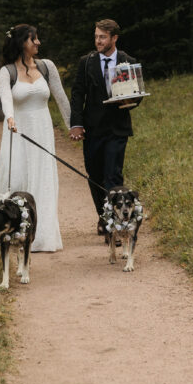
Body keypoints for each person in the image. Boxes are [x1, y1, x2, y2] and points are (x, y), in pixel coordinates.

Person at [0, 24, 71, 252]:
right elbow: (6, 98)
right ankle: (11, 230)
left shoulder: (47, 67)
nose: (38, 43)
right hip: (17, 131)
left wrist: (73, 127)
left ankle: (42, 236)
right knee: (17, 176)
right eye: (32, 39)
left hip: (43, 131)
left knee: (43, 179)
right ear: (20, 44)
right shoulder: (7, 72)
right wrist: (10, 117)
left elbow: (61, 99)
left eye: (37, 39)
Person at [69, 18, 141, 235]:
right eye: (96, 37)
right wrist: (76, 124)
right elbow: (77, 94)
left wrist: (129, 102)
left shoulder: (127, 61)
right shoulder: (86, 62)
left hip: (117, 129)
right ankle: (103, 217)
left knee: (113, 176)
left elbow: (136, 95)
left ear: (114, 38)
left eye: (102, 37)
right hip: (92, 130)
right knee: (95, 175)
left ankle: (116, 224)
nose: (98, 41)